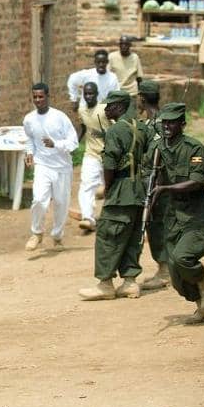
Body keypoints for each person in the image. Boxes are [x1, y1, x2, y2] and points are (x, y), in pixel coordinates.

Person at [148, 103, 204, 323]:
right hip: (173, 217)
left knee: (183, 258)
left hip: (197, 216)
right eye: (164, 122)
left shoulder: (194, 148)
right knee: (176, 275)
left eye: (172, 123)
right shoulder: (157, 148)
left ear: (182, 124)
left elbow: (197, 182)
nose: (166, 127)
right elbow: (150, 176)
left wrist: (165, 189)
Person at [78, 91, 150, 300]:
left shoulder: (115, 131)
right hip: (139, 190)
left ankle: (105, 284)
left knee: (108, 236)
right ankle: (130, 282)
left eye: (109, 106)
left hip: (121, 190)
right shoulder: (141, 127)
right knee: (132, 236)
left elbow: (109, 164)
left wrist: (107, 187)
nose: (106, 110)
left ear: (119, 107)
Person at [23, 83, 79, 251]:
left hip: (62, 167)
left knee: (61, 203)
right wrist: (29, 153)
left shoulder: (60, 117)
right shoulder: (29, 119)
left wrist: (56, 144)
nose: (38, 100)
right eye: (35, 97)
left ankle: (57, 236)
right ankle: (36, 233)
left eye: (41, 96)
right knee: (39, 200)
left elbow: (74, 142)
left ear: (48, 97)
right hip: (43, 165)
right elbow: (29, 139)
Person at [136, 80, 170, 290]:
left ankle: (166, 270)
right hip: (152, 180)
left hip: (157, 182)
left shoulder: (158, 123)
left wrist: (158, 184)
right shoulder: (157, 121)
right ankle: (164, 268)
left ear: (142, 98)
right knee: (154, 224)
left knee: (157, 225)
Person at [74, 82, 111, 232]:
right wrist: (75, 143)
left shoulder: (104, 110)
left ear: (96, 94)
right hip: (91, 154)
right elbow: (83, 127)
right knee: (86, 184)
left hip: (108, 155)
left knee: (110, 187)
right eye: (86, 94)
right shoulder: (82, 110)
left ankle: (110, 217)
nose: (88, 96)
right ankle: (88, 218)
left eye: (91, 94)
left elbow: (115, 129)